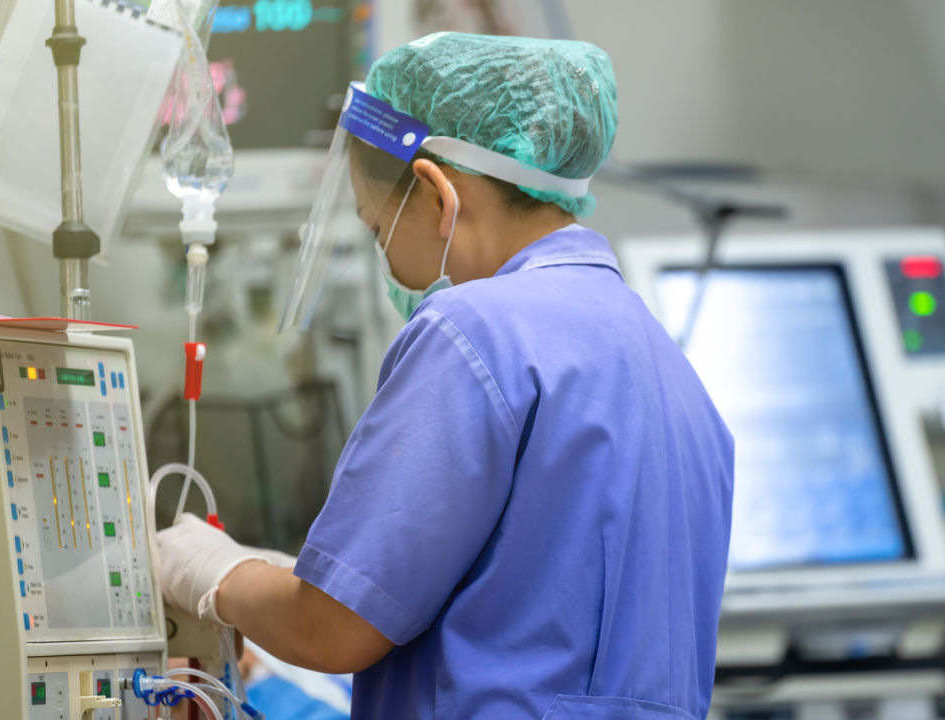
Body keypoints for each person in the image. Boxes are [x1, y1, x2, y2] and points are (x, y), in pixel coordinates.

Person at [157, 32, 734, 719]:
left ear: (434, 193)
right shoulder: (664, 360)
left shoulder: (473, 332)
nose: (386, 262)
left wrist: (210, 572)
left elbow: (331, 627)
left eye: (378, 231)